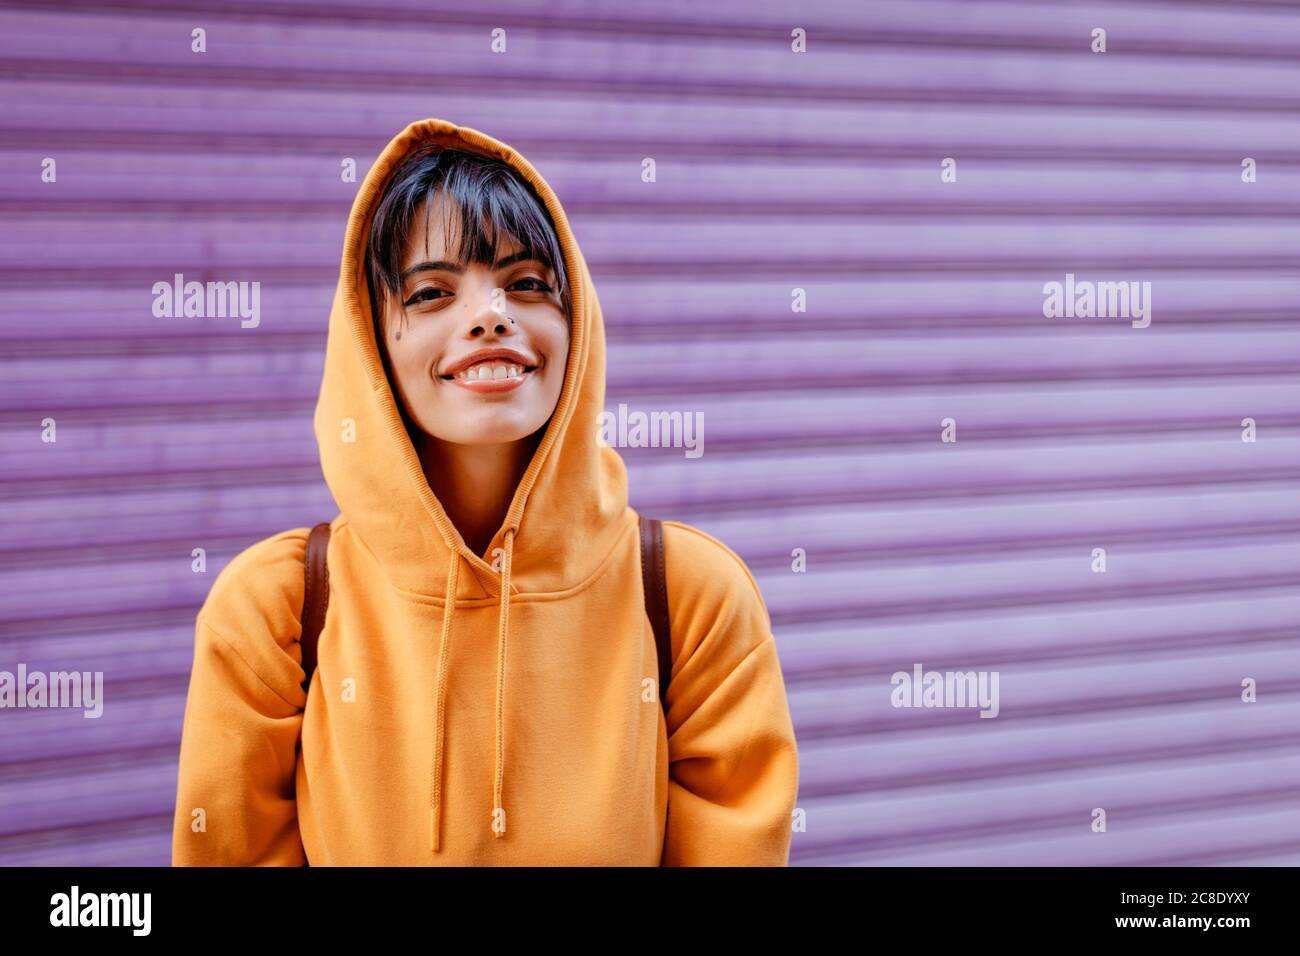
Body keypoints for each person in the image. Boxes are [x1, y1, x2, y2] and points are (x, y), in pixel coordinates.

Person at [170, 118, 799, 866]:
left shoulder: (693, 600)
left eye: (528, 283)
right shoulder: (272, 614)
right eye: (432, 292)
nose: (491, 315)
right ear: (371, 339)